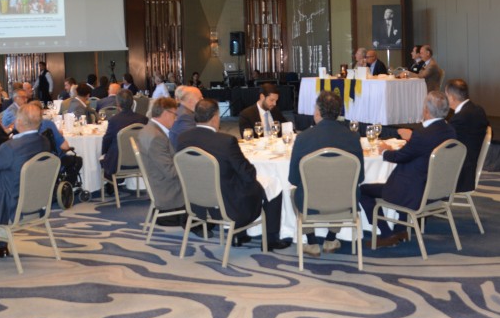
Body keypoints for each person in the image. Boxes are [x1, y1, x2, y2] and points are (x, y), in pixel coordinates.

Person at [177, 99, 291, 251]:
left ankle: (239, 235)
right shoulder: (225, 142)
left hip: (196, 204)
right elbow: (248, 175)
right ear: (215, 117)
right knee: (273, 184)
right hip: (229, 207)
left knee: (233, 181)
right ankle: (271, 240)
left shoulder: (182, 139)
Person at [359, 91, 456, 246]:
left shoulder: (422, 135)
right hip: (436, 190)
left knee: (362, 191)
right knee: (405, 177)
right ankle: (400, 228)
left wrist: (384, 151)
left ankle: (386, 233)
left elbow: (399, 157)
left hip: (415, 192)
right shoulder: (450, 130)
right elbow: (416, 152)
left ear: (426, 110)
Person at [288, 91, 365, 256]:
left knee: (293, 192)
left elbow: (293, 179)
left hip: (311, 202)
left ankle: (312, 242)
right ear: (338, 113)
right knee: (344, 188)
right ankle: (331, 239)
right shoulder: (353, 137)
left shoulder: (303, 138)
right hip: (345, 201)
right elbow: (360, 178)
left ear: (318, 111)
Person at [0, 103, 51, 262]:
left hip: (11, 204)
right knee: (5, 186)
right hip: (35, 201)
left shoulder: (11, 147)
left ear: (19, 122)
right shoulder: (44, 142)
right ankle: (3, 246)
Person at [135, 98, 185, 227]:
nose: (176, 119)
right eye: (175, 114)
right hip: (168, 193)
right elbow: (170, 172)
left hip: (160, 185)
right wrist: (189, 168)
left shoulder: (147, 130)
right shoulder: (157, 137)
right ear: (166, 113)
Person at [444, 79, 489, 192]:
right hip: (469, 166)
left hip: (460, 174)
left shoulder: (460, 118)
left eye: (446, 95)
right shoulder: (478, 110)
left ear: (451, 98)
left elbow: (445, 143)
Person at [100, 90, 148, 182]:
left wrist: (104, 154)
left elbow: (107, 141)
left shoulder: (114, 120)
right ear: (132, 102)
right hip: (140, 160)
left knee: (105, 157)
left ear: (117, 104)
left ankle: (112, 183)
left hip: (118, 163)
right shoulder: (143, 119)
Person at [168, 84, 202, 149]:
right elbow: (194, 138)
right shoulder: (184, 116)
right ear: (190, 101)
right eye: (200, 98)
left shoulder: (183, 111)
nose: (203, 100)